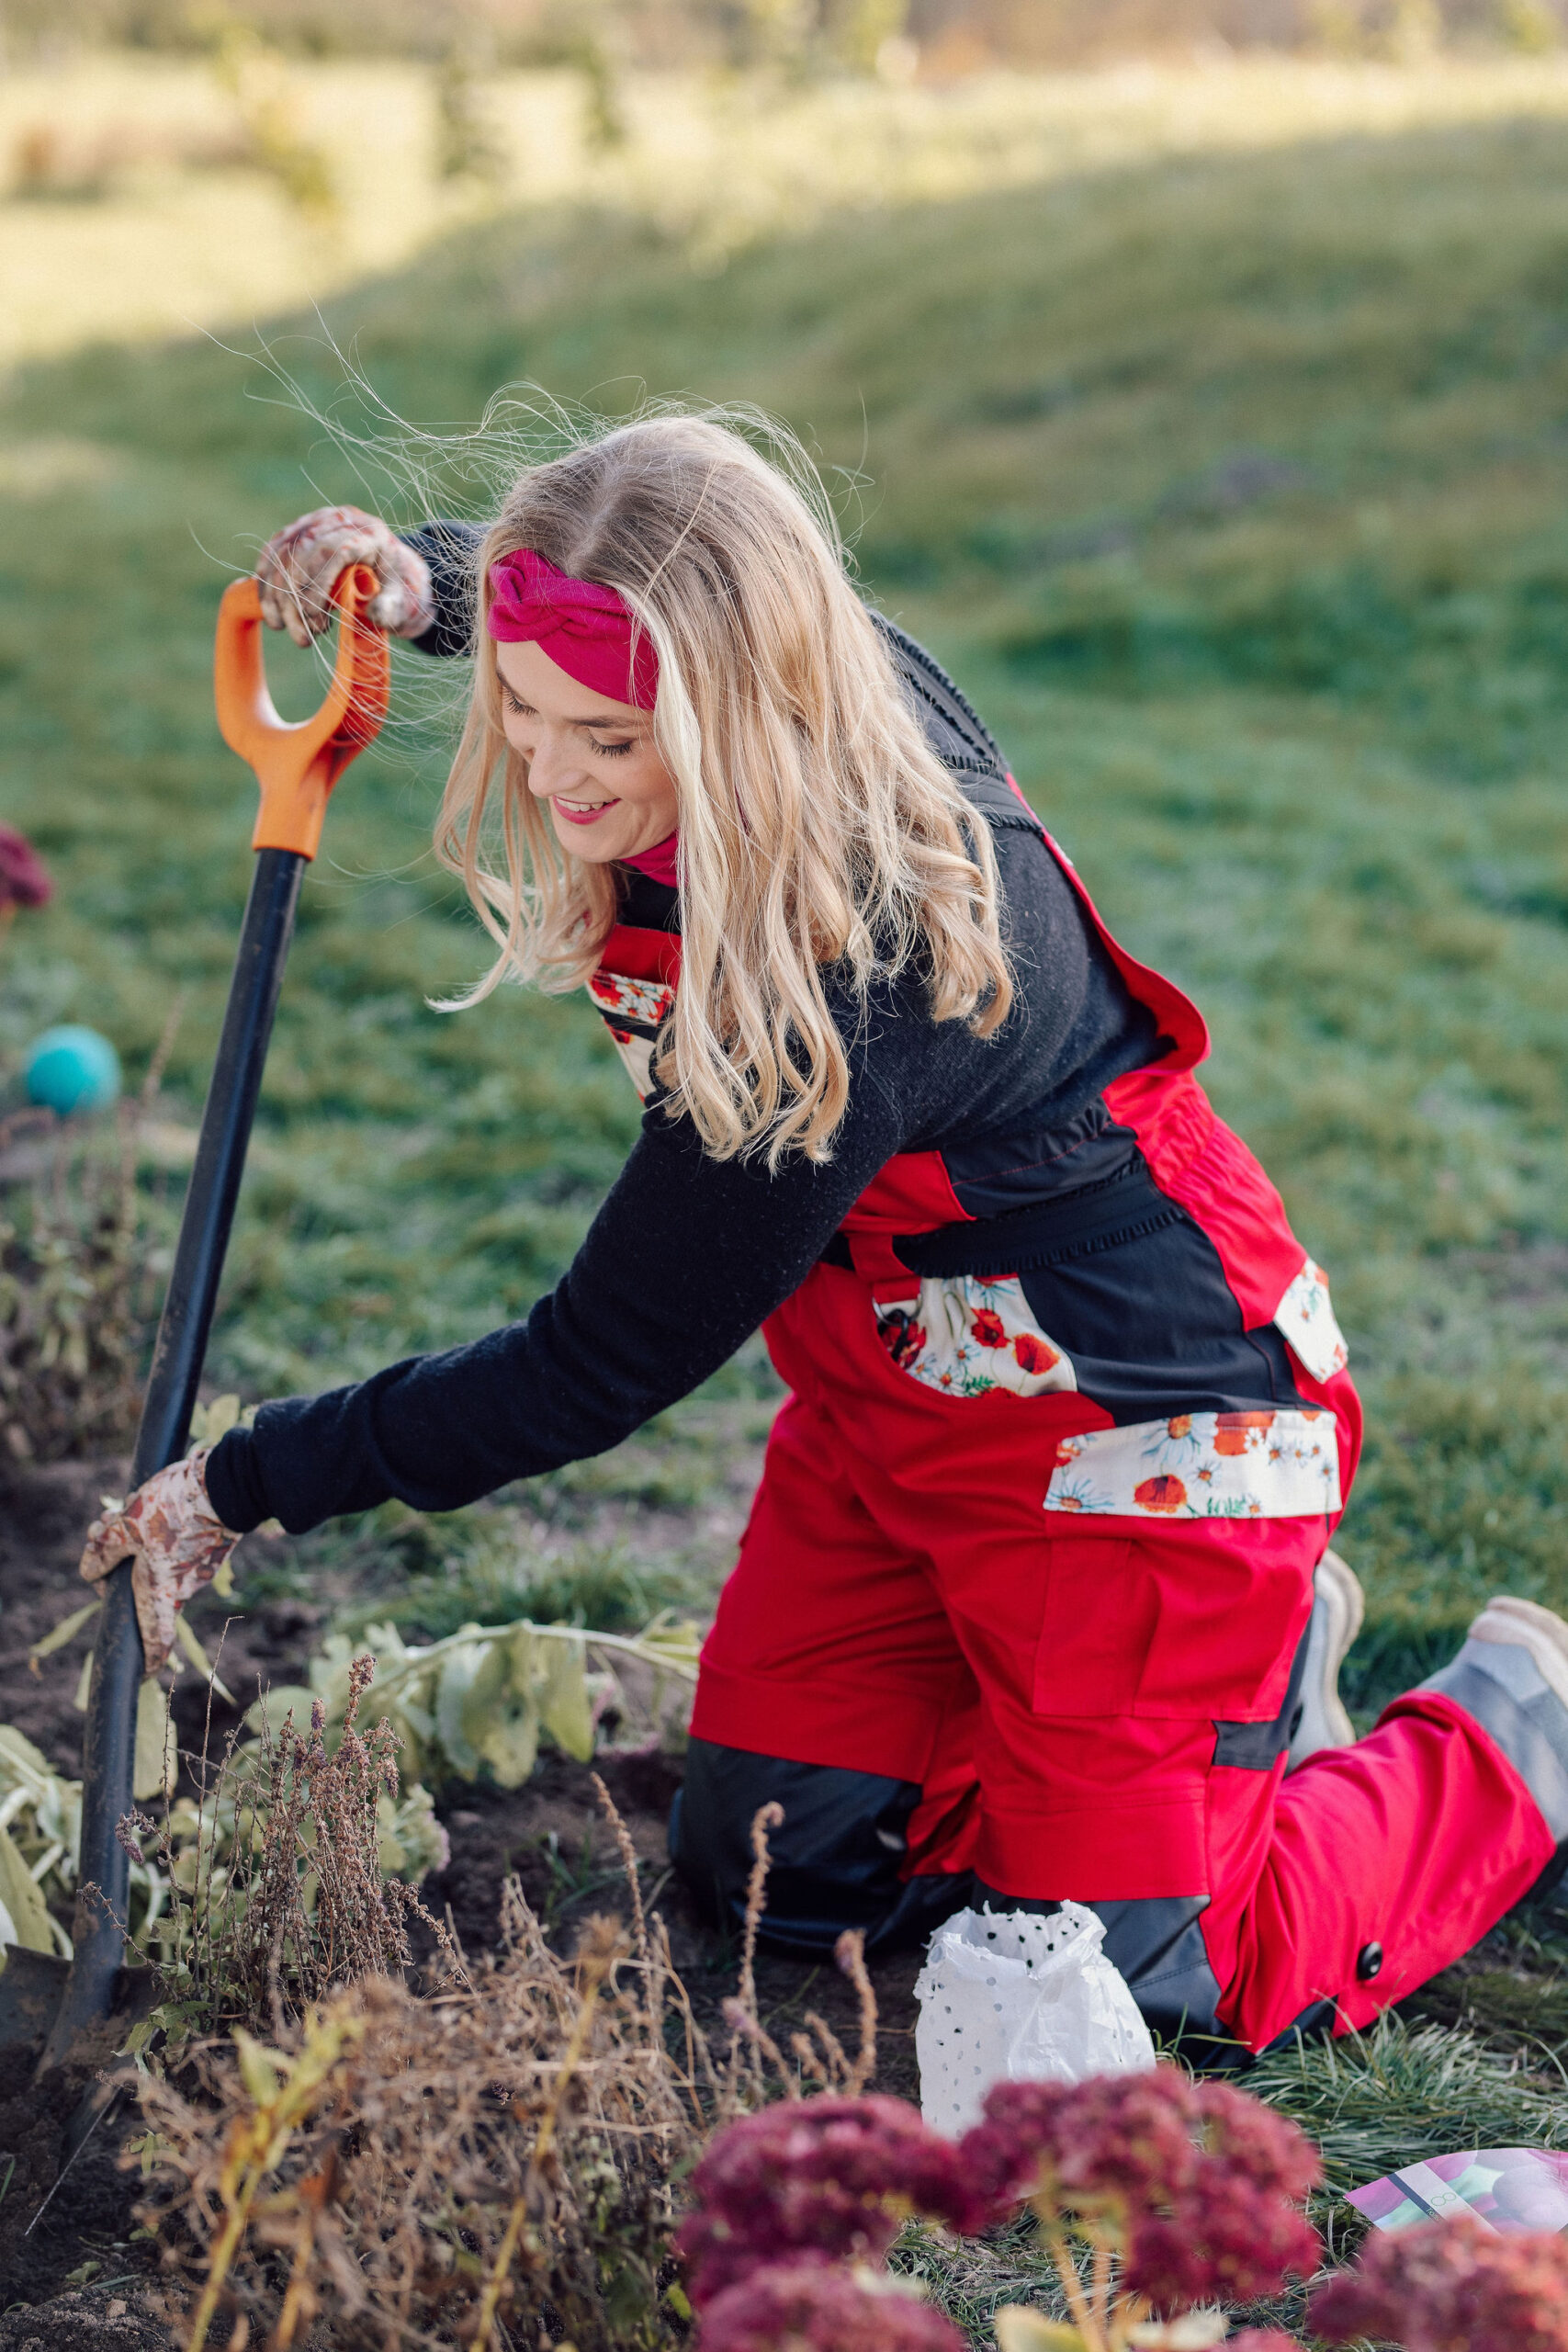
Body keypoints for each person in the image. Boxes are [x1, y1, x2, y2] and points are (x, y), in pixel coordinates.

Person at [81, 411, 1568, 2061]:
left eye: (609, 739)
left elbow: (591, 1367)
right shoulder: (797, 673)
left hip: (1148, 1433)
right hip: (893, 1412)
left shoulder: (844, 972)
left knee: (1138, 1986)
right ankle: (1172, 1726)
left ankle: (1504, 1730)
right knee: (777, 1882)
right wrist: (429, 588)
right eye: (524, 709)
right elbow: (611, 601)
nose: (553, 775)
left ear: (740, 721)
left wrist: (249, 1477)